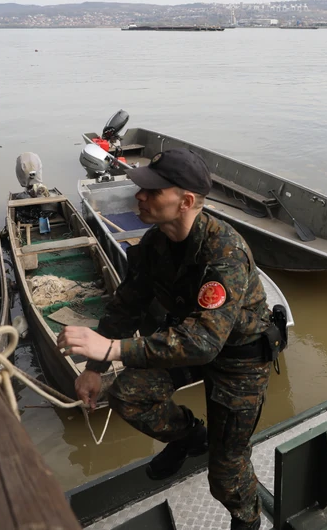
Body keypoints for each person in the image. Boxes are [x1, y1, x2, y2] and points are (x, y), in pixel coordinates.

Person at [57, 148, 273, 530]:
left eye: (152, 192)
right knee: (128, 393)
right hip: (187, 343)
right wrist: (94, 369)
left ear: (185, 202)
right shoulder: (154, 246)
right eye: (142, 189)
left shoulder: (224, 253)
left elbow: (206, 341)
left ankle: (248, 519)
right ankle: (192, 438)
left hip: (238, 358)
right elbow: (127, 307)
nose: (139, 196)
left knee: (226, 476)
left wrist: (110, 348)